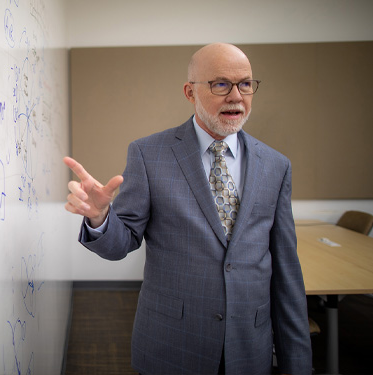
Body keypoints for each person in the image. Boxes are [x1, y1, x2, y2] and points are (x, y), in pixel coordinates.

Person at [64, 43, 312, 375]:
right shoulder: (149, 154)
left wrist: (298, 365)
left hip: (249, 348)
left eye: (245, 84)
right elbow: (121, 243)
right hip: (172, 345)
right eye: (220, 84)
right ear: (189, 92)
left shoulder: (276, 165)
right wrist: (99, 218)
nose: (236, 96)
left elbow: (286, 274)